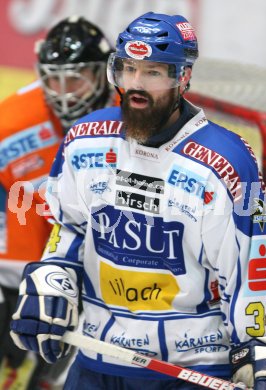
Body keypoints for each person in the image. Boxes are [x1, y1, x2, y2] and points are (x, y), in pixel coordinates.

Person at [9, 12, 266, 390]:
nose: (136, 85)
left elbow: (250, 264)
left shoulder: (227, 162)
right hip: (97, 358)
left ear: (183, 76)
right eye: (128, 69)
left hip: (193, 367)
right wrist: (53, 277)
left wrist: (255, 343)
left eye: (153, 72)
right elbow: (70, 225)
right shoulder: (84, 140)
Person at [0, 15, 114, 389]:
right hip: (23, 259)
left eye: (76, 78)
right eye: (54, 78)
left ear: (102, 75)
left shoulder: (134, 121)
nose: (64, 92)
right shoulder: (12, 124)